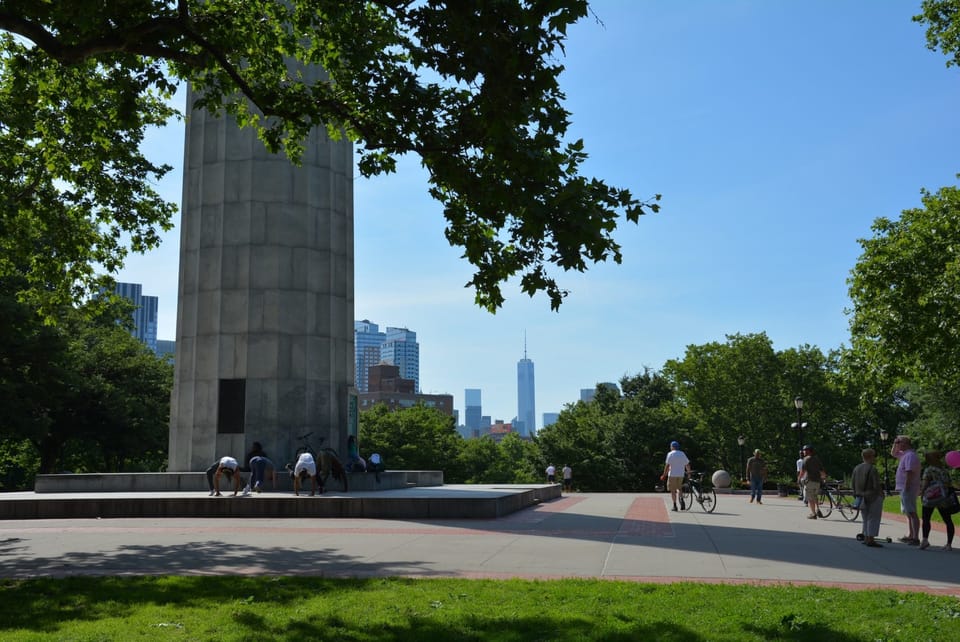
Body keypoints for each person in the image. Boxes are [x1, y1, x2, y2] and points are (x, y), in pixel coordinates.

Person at [919, 450, 955, 551]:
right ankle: (949, 544)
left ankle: (925, 540)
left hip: (930, 497)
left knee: (926, 518)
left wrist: (922, 493)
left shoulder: (929, 470)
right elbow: (949, 483)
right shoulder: (944, 470)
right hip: (943, 497)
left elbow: (925, 483)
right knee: (948, 520)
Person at [891, 435, 921, 545]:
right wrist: (895, 443)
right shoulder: (904, 455)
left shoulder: (910, 455)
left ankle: (915, 538)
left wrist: (907, 487)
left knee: (912, 512)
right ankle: (910, 535)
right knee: (908, 512)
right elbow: (893, 453)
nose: (898, 444)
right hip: (904, 488)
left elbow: (909, 472)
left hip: (908, 487)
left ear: (906, 443)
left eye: (900, 442)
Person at [852, 448, 884, 547]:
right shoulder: (872, 469)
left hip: (860, 496)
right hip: (872, 496)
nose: (875, 458)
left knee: (865, 518)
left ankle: (866, 537)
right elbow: (876, 485)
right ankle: (871, 538)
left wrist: (856, 494)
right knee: (873, 517)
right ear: (870, 457)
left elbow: (853, 484)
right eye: (874, 456)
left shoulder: (857, 468)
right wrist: (881, 494)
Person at [661, 441, 691, 512]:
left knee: (673, 490)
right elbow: (687, 464)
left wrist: (664, 474)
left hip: (672, 475)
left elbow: (667, 466)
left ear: (672, 447)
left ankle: (675, 506)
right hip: (681, 474)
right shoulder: (682, 454)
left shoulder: (670, 454)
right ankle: (681, 499)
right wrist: (689, 473)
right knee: (679, 488)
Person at [801, 445, 827, 519]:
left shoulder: (806, 459)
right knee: (815, 496)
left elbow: (802, 471)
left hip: (810, 481)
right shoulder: (817, 459)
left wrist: (799, 479)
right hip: (817, 481)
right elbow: (822, 471)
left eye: (804, 450)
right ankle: (818, 509)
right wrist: (824, 478)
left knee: (810, 498)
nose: (803, 452)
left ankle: (813, 514)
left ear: (808, 451)